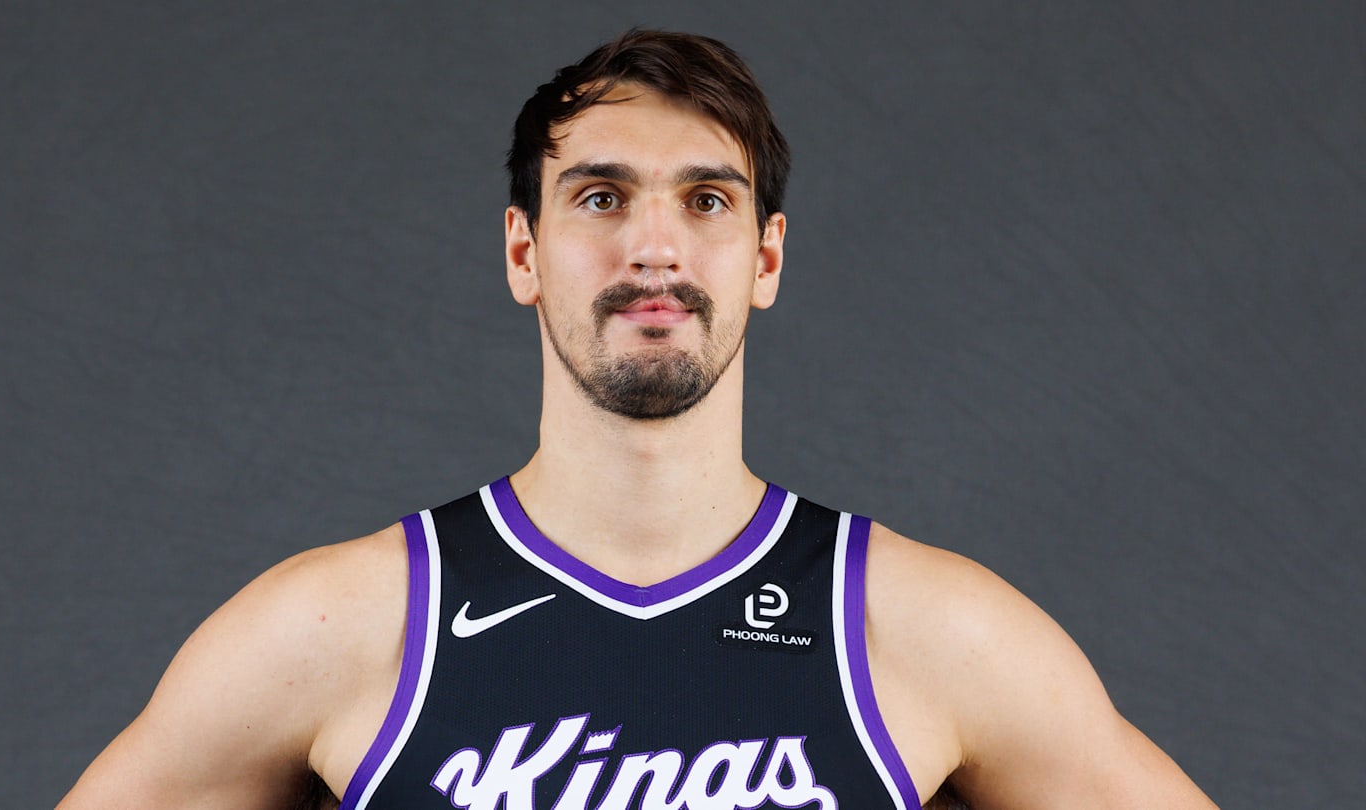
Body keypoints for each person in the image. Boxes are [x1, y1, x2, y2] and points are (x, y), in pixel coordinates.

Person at [59, 29, 1217, 810]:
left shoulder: (925, 633)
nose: (654, 246)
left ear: (765, 256)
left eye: (706, 200)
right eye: (601, 197)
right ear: (525, 251)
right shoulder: (342, 627)